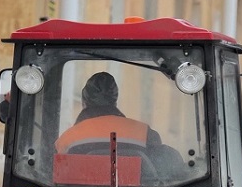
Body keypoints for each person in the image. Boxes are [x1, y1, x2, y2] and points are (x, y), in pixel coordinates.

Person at [55, 72, 184, 179]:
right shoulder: (145, 133)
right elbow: (163, 171)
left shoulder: (67, 139)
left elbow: (57, 176)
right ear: (115, 101)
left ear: (84, 101)